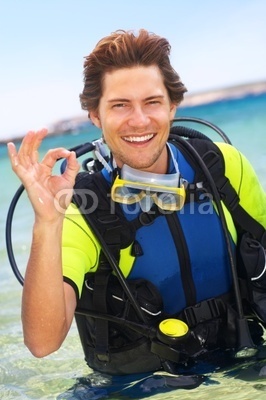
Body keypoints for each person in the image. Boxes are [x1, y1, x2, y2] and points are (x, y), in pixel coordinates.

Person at [7, 29, 266, 380]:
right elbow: (43, 342)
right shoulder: (81, 207)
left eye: (152, 102)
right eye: (120, 105)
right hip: (140, 386)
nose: (139, 120)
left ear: (172, 105)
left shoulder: (223, 166)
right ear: (95, 116)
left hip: (244, 360)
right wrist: (47, 223)